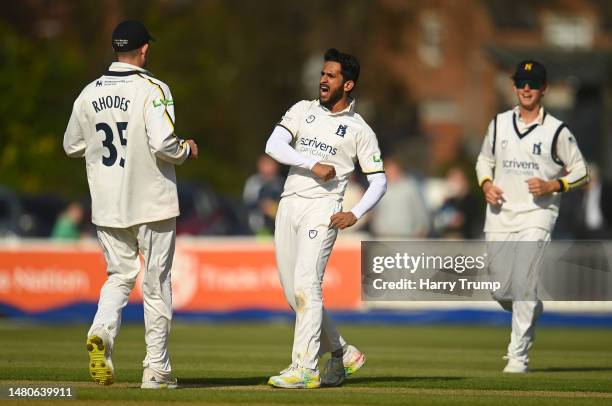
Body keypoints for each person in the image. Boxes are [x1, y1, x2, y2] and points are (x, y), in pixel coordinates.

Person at [63, 20, 198, 388]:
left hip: (108, 206)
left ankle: (101, 332)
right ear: (144, 50)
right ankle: (156, 370)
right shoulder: (153, 88)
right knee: (156, 284)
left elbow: (71, 145)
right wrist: (186, 150)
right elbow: (163, 144)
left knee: (119, 278)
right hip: (151, 202)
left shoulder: (88, 93)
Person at [265, 48, 387, 389]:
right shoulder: (302, 110)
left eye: (330, 75)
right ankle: (343, 353)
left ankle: (304, 368)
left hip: (324, 210)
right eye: (322, 73)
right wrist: (310, 163)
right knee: (293, 293)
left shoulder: (359, 129)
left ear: (347, 84)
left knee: (307, 286)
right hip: (289, 202)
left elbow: (379, 180)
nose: (323, 79)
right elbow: (273, 144)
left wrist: (356, 212)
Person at [475, 60, 588, 373]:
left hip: (537, 215)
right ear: (514, 87)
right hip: (499, 214)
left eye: (533, 83)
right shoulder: (498, 124)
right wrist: (486, 184)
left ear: (544, 89)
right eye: (522, 83)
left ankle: (518, 357)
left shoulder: (557, 131)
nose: (526, 88)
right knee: (500, 289)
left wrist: (555, 184)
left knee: (525, 282)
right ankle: (531, 305)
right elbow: (484, 160)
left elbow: (581, 171)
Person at [370, 157, 430, 238]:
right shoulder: (379, 188)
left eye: (391, 169)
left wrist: (422, 228)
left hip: (405, 236)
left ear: (397, 169)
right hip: (384, 236)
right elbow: (375, 212)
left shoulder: (410, 187)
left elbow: (419, 209)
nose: (388, 172)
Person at [243, 154, 284, 235]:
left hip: (277, 227)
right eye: (265, 164)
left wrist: (275, 208)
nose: (267, 168)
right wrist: (263, 205)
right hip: (255, 227)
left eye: (270, 164)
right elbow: (246, 204)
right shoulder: (253, 182)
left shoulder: (282, 183)